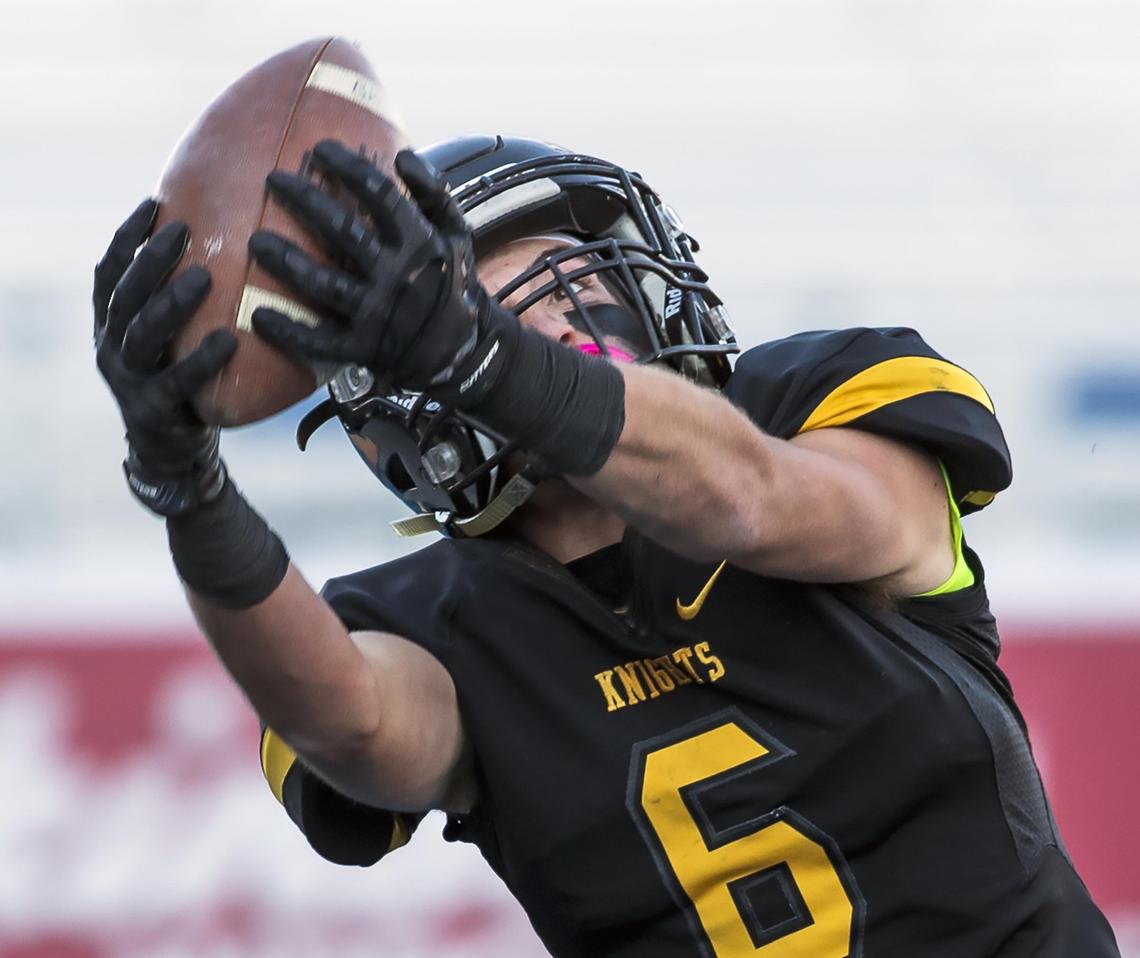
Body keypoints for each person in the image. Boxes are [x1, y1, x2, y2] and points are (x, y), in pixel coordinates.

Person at [93, 134, 1120, 957]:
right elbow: (358, 732)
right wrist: (190, 492)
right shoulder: (422, 622)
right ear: (400, 413)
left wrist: (485, 357)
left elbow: (757, 499)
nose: (560, 319)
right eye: (498, 306)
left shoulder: (812, 405)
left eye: (570, 278)